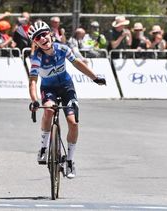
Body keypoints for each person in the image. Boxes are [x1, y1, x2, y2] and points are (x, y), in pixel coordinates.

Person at [27, 21, 106, 179]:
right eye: (37, 38)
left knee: (73, 122)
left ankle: (69, 160)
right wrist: (35, 100)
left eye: (44, 34)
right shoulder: (37, 58)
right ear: (35, 42)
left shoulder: (62, 49)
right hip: (48, 89)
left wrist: (95, 78)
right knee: (49, 110)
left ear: (50, 33)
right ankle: (43, 147)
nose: (42, 38)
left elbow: (77, 63)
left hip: (66, 88)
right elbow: (33, 81)